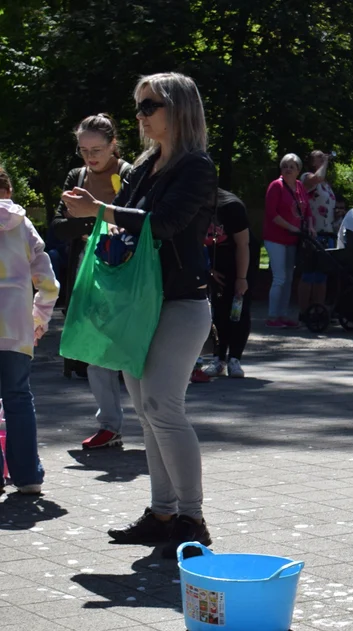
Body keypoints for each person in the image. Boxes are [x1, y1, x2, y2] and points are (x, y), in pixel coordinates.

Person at [62, 72, 218, 554]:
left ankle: (192, 519)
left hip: (181, 302)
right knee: (148, 416)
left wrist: (100, 212)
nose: (140, 115)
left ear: (177, 109)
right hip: (138, 303)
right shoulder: (144, 166)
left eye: (148, 105)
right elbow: (124, 229)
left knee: (164, 408)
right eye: (138, 106)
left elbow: (165, 225)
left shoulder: (196, 167)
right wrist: (87, 219)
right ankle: (162, 513)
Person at [51, 114, 136, 450]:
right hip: (89, 273)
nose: (90, 157)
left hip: (126, 274)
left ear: (113, 144)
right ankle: (110, 425)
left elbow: (137, 222)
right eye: (83, 150)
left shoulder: (130, 174)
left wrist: (89, 214)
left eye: (97, 149)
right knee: (96, 350)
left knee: (131, 349)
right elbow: (59, 226)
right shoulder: (78, 177)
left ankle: (157, 422)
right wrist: (94, 219)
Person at [0, 167, 59, 495]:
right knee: (19, 397)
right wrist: (39, 319)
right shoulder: (22, 226)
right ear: (8, 190)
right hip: (16, 326)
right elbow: (48, 282)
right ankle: (28, 477)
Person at [200, 188, 251, 379]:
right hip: (213, 259)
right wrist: (209, 270)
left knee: (238, 309)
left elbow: (243, 244)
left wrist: (241, 278)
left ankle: (235, 359)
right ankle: (218, 358)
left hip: (240, 258)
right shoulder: (190, 203)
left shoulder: (231, 206)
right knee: (218, 310)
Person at [263, 153, 313, 328]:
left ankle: (282, 315)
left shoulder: (299, 186)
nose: (288, 169)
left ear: (299, 170)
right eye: (285, 166)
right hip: (275, 238)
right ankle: (272, 316)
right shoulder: (276, 186)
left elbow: (307, 211)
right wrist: (291, 227)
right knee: (280, 277)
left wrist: (310, 226)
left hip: (293, 239)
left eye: (292, 166)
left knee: (289, 277)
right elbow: (272, 214)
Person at [298, 150, 336, 318]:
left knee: (322, 276)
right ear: (312, 161)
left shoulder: (326, 185)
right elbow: (317, 178)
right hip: (312, 233)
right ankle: (304, 311)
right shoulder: (307, 177)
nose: (323, 158)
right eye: (319, 156)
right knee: (309, 274)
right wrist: (325, 162)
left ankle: (318, 311)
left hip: (327, 234)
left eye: (323, 156)